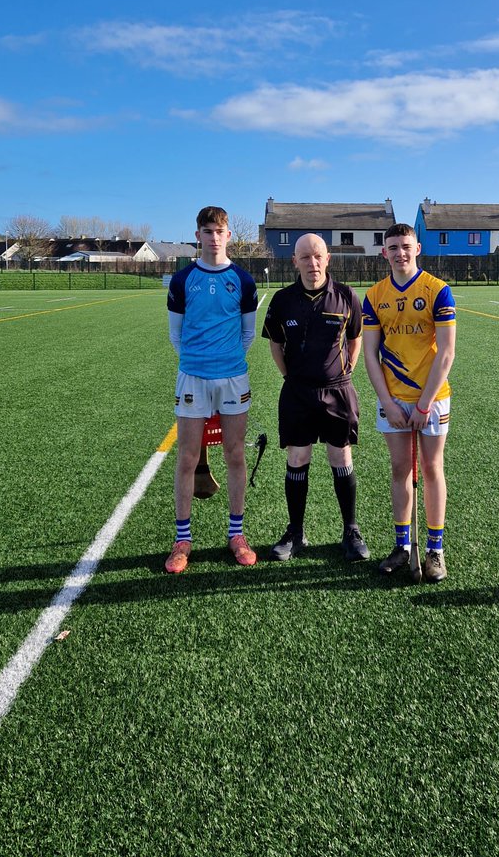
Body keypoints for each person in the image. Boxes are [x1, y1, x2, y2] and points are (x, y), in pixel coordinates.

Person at [262, 233, 369, 562]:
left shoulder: (347, 296)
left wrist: (346, 369)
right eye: (305, 257)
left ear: (328, 259)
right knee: (297, 458)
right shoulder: (282, 301)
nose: (312, 263)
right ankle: (295, 532)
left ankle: (350, 531)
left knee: (341, 457)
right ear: (294, 261)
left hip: (337, 391)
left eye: (317, 256)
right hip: (297, 392)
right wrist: (288, 377)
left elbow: (356, 337)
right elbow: (276, 345)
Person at [164, 205, 259, 573]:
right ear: (198, 235)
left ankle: (236, 534)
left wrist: (226, 360)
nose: (214, 237)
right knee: (188, 457)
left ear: (228, 236)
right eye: (207, 231)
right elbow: (176, 334)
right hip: (192, 378)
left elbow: (247, 333)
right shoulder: (182, 280)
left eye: (220, 231)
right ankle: (182, 540)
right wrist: (199, 362)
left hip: (234, 377)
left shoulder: (244, 280)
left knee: (235, 454)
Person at [362, 223, 456, 583]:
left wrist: (422, 405)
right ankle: (403, 547)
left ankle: (435, 550)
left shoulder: (437, 291)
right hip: (393, 401)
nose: (400, 252)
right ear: (384, 253)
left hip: (431, 400)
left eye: (406, 245)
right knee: (400, 469)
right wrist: (387, 401)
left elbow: (446, 353)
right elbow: (370, 355)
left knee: (432, 469)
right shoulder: (374, 296)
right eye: (393, 247)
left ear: (417, 248)